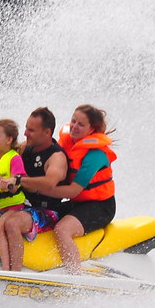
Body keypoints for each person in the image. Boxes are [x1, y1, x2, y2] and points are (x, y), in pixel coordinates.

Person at [37, 104, 117, 275]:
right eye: (73, 121)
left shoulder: (95, 155)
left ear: (91, 129)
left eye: (81, 124)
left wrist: (41, 189)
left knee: (62, 229)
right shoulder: (67, 142)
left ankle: (75, 277)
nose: (74, 126)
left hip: (101, 207)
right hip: (78, 204)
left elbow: (73, 191)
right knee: (38, 213)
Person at [0, 107, 69, 271]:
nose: (25, 133)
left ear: (47, 133)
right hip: (20, 205)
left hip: (47, 211)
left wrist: (18, 180)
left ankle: (15, 274)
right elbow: (3, 159)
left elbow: (49, 183)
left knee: (12, 224)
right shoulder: (24, 148)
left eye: (31, 130)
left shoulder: (56, 157)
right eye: (26, 128)